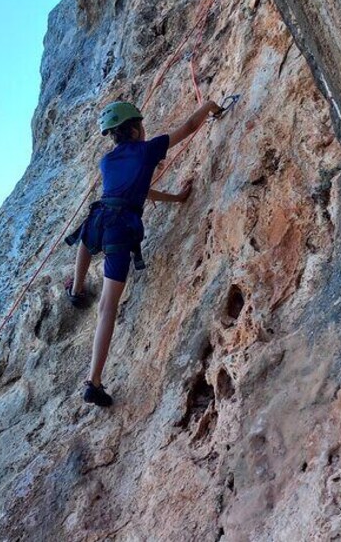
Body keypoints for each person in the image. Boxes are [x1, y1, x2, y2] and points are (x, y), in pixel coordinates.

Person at [65, 99, 223, 407]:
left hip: (100, 218)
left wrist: (176, 198)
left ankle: (76, 288)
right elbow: (190, 126)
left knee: (87, 235)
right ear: (137, 129)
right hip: (121, 229)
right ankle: (93, 381)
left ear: (114, 136)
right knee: (107, 307)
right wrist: (210, 107)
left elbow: (137, 190)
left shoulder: (106, 162)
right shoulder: (148, 149)